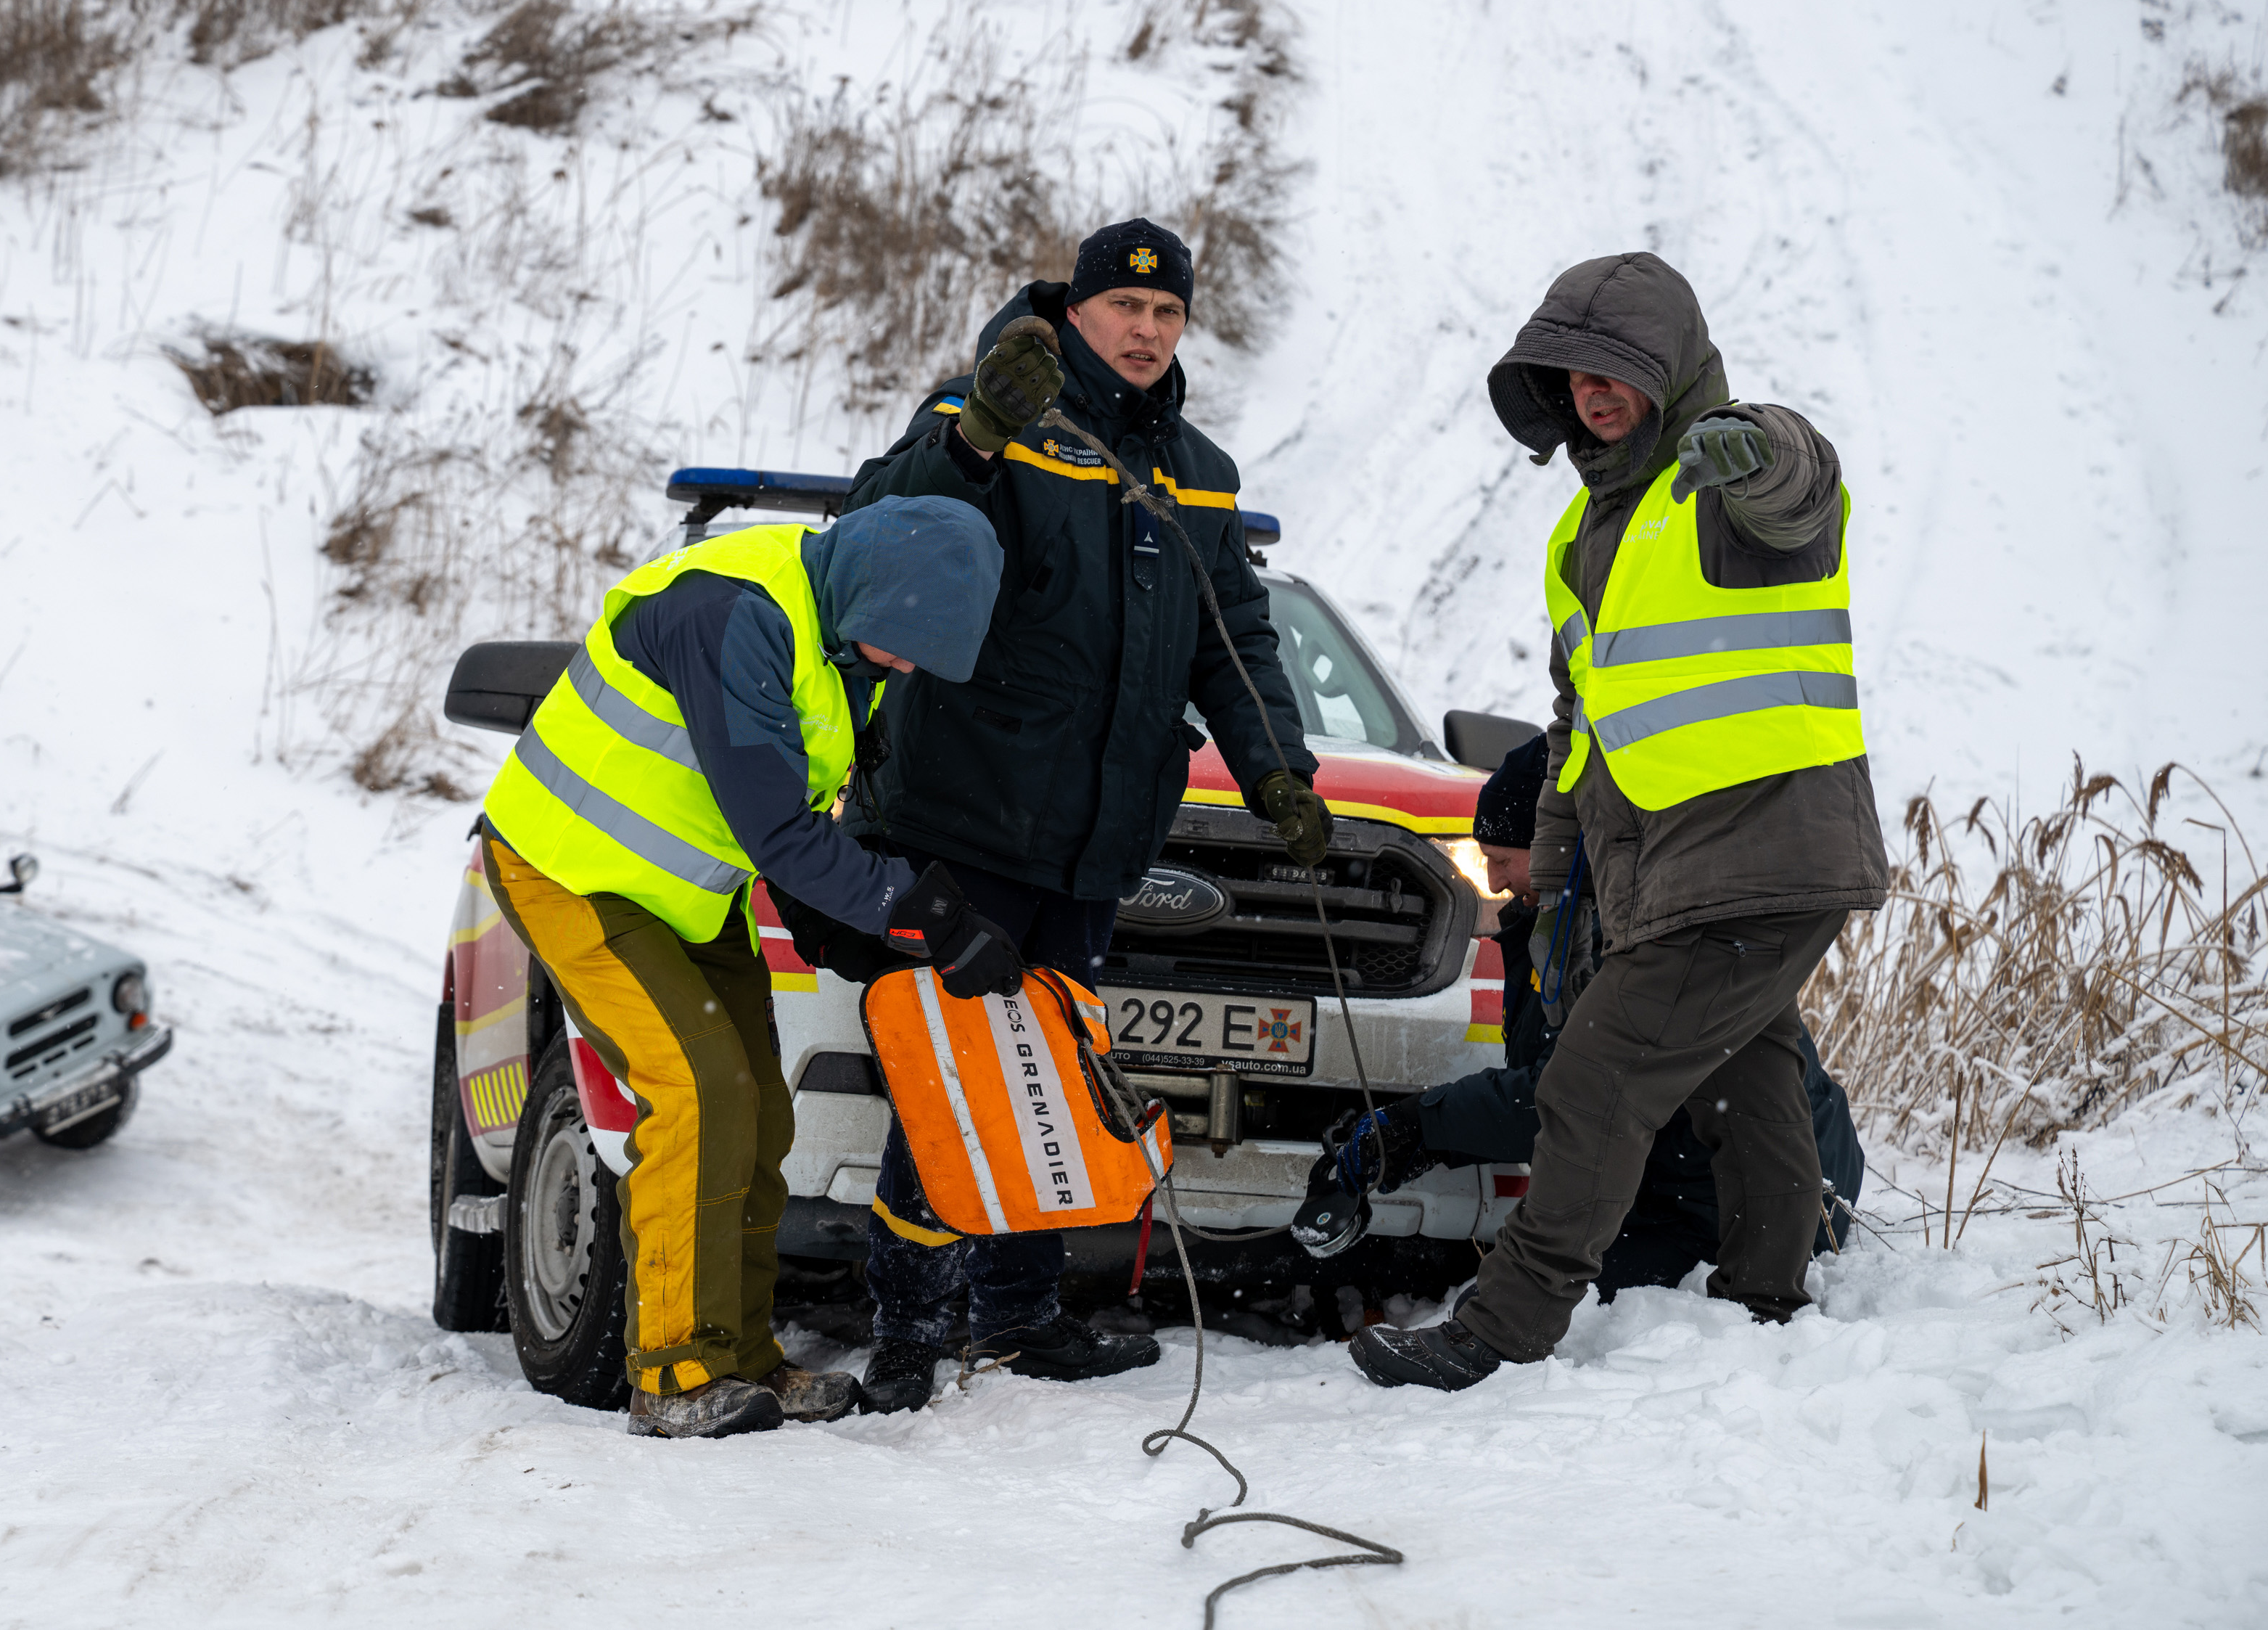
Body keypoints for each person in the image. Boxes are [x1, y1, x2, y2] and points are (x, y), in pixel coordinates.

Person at [1353, 251, 1889, 1391]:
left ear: (1674, 369)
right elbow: (1579, 721)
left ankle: (1505, 1324)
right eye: (1573, 376)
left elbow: (1804, 483)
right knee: (1749, 1073)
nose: (1593, 395)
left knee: (1594, 1080)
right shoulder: (1583, 532)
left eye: (1617, 372)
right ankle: (1767, 1293)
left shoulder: (1726, 480)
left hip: (1762, 845)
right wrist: (1553, 868)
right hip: (1685, 867)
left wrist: (1757, 450)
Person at [829, 218, 1326, 1415]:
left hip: (1096, 836)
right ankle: (908, 1327)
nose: (1146, 331)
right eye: (1125, 309)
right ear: (1077, 311)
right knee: (956, 1076)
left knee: (1049, 1073)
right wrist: (977, 438)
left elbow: (1233, 634)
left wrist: (1277, 770)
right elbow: (885, 528)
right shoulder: (993, 413)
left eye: (1168, 313)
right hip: (967, 811)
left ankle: (1020, 1312)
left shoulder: (1200, 470)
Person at [480, 495, 1025, 1439]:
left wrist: (852, 921)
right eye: (903, 645)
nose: (904, 667)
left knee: (759, 1109)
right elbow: (776, 830)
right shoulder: (733, 612)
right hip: (570, 868)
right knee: (698, 1092)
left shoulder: (842, 648)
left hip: (681, 893)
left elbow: (796, 808)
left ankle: (741, 1355)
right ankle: (673, 1372)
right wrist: (926, 915)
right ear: (872, 590)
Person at [1296, 735, 1867, 1292]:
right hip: (1711, 1185)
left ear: (1554, 845)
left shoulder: (1625, 940)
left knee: (1515, 1301)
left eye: (1501, 859)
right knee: (1505, 1282)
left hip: (1736, 1207)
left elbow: (1565, 1095)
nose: (1492, 880)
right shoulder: (1569, 925)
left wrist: (1413, 1128)